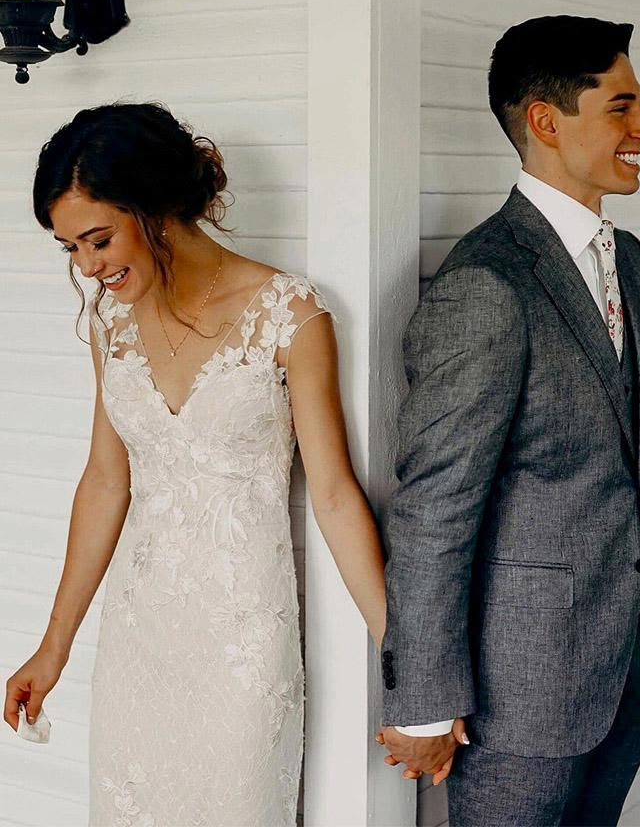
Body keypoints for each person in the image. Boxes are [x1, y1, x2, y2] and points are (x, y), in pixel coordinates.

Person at [3, 102, 386, 827]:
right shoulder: (111, 324)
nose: (88, 267)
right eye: (70, 250)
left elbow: (333, 495)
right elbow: (106, 480)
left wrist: (405, 656)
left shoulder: (289, 313)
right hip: (138, 641)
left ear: (158, 209)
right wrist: (53, 648)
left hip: (243, 646)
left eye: (98, 239)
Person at [378, 16, 640, 825]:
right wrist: (423, 702)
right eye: (622, 108)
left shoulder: (632, 262)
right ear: (546, 121)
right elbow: (434, 503)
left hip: (631, 653)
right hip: (523, 687)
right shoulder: (486, 283)